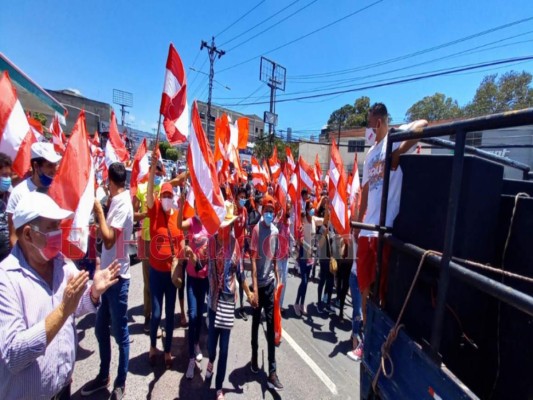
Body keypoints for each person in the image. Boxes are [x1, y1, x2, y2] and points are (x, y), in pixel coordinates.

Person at [0, 192, 120, 399]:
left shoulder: (61, 264)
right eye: (52, 227)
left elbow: (76, 306)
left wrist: (93, 292)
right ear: (28, 234)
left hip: (63, 389)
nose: (59, 232)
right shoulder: (6, 280)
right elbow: (14, 354)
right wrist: (63, 311)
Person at [354, 102, 427, 358]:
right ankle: (367, 332)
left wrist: (398, 153)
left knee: (382, 289)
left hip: (385, 230)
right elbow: (364, 191)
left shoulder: (394, 138)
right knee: (364, 285)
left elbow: (423, 125)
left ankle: (381, 336)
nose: (369, 127)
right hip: (367, 229)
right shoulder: (371, 152)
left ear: (380, 121)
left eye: (371, 122)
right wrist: (357, 220)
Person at [82, 162, 134, 400]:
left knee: (120, 333)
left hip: (118, 278)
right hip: (106, 276)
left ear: (111, 181)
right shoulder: (115, 200)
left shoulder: (122, 204)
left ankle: (120, 382)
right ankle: (103, 375)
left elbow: (111, 239)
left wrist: (100, 214)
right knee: (100, 328)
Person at [206, 201, 254, 400]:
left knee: (224, 348)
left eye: (229, 224)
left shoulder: (235, 244)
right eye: (224, 224)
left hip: (227, 303)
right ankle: (210, 360)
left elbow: (241, 273)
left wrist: (249, 293)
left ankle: (218, 386)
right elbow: (203, 266)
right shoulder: (210, 242)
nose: (227, 228)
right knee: (211, 346)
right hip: (213, 303)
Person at [145, 155, 184, 369]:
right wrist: (153, 168)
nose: (168, 198)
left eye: (170, 195)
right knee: (156, 314)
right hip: (156, 273)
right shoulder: (155, 210)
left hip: (171, 275)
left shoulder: (176, 216)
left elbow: (179, 242)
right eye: (165, 195)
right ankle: (153, 346)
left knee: (170, 316)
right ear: (161, 197)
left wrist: (182, 255)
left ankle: (167, 350)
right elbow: (150, 192)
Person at [250, 194, 283, 391]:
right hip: (258, 286)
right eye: (267, 210)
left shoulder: (276, 231)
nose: (269, 214)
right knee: (255, 324)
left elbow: (275, 257)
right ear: (262, 211)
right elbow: (254, 261)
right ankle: (254, 357)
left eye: (272, 211)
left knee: (270, 326)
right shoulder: (256, 230)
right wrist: (254, 290)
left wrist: (278, 280)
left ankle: (272, 371)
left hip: (270, 284)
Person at [178, 191, 210, 380]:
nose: (199, 209)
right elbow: (177, 225)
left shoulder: (210, 225)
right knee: (192, 314)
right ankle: (191, 358)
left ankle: (196, 343)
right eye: (196, 206)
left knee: (199, 315)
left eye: (201, 206)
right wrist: (181, 205)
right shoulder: (191, 222)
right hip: (191, 275)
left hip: (204, 278)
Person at [132, 162, 165, 335]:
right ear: (151, 171)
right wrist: (146, 214)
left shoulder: (165, 188)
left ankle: (157, 319)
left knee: (159, 282)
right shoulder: (141, 188)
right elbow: (133, 213)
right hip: (145, 240)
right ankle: (147, 316)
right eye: (156, 171)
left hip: (160, 241)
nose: (158, 174)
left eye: (160, 172)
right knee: (148, 282)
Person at [6, 142, 61, 247]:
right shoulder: (19, 193)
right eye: (49, 165)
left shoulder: (59, 191)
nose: (53, 170)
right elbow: (13, 235)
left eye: (55, 165)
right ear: (36, 166)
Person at [294, 201, 323, 317]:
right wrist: (307, 248)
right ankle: (296, 303)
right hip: (304, 254)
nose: (312, 210)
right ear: (306, 210)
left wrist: (329, 210)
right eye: (310, 208)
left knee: (307, 283)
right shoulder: (303, 221)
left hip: (310, 254)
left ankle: (302, 303)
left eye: (313, 208)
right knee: (304, 281)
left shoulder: (314, 220)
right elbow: (300, 240)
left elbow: (325, 221)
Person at [233, 186, 249, 320]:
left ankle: (242, 306)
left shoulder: (244, 211)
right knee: (230, 277)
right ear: (236, 198)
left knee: (241, 276)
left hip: (242, 250)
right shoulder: (232, 210)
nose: (243, 200)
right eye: (241, 197)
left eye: (244, 197)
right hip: (231, 250)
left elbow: (245, 229)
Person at [275, 198, 292, 315]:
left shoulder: (288, 222)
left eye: (290, 208)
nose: (289, 211)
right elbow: (273, 227)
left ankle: (280, 306)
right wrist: (278, 216)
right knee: (278, 282)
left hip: (286, 256)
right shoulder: (279, 222)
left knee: (284, 281)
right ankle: (274, 305)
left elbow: (288, 236)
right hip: (278, 257)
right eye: (288, 208)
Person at [0, 153, 12, 262]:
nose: (7, 179)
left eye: (9, 175)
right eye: (4, 175)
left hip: (7, 256)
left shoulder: (11, 195)